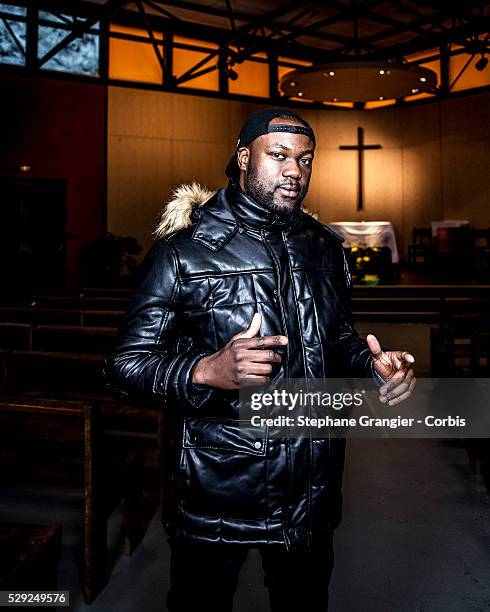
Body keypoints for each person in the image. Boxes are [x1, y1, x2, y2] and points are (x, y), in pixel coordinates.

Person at [103, 107, 416, 611]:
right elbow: (125, 367)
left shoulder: (324, 248)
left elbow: (334, 337)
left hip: (310, 488)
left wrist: (370, 364)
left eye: (306, 159)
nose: (295, 170)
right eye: (280, 156)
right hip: (217, 487)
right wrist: (205, 370)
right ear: (244, 158)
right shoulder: (184, 253)